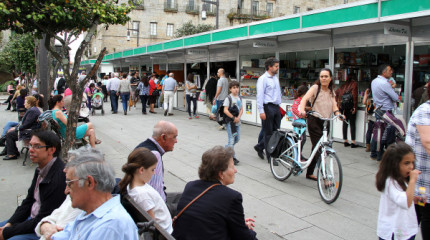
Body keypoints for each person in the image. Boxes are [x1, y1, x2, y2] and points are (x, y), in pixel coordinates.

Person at [51, 147, 139, 240]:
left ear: (89, 182)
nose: (66, 191)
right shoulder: (92, 212)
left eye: (70, 183)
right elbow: (65, 234)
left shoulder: (109, 225)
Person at [172, 146, 257, 240]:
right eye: (232, 167)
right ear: (221, 174)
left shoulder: (191, 186)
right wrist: (250, 230)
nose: (235, 171)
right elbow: (244, 237)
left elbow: (208, 219)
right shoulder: (232, 197)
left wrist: (239, 223)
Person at [0, 131, 66, 240]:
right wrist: (9, 224)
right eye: (30, 145)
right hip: (30, 219)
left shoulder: (58, 178)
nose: (31, 149)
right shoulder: (41, 169)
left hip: (43, 227)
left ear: (51, 150)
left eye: (37, 146)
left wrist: (7, 233)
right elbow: (28, 201)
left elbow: (43, 218)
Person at [299, 68, 344, 181]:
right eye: (322, 76)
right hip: (314, 120)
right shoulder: (315, 88)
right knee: (320, 149)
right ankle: (325, 178)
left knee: (317, 148)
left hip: (325, 122)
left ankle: (309, 173)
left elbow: (334, 106)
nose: (323, 78)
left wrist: (338, 113)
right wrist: (301, 109)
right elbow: (304, 99)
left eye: (326, 76)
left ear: (330, 78)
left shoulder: (330, 91)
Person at [119, 148, 173, 233]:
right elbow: (152, 223)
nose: (154, 173)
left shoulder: (132, 184)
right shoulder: (142, 195)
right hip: (166, 231)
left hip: (166, 225)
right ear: (141, 170)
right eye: (152, 169)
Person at [376, 142, 420, 240]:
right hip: (394, 232)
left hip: (405, 229)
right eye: (406, 163)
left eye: (412, 162)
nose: (411, 167)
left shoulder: (402, 178)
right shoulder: (390, 182)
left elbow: (403, 198)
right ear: (394, 164)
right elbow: (405, 201)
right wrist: (413, 181)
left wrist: (414, 199)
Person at [405, 89, 430, 239]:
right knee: (421, 214)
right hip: (421, 180)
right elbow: (428, 142)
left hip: (424, 179)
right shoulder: (425, 111)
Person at [135, 121, 178, 201]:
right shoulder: (154, 155)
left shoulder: (143, 146)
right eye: (174, 137)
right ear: (163, 137)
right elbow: (156, 193)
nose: (176, 141)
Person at [255, 58, 282, 163]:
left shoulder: (275, 78)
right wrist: (261, 111)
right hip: (267, 107)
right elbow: (260, 96)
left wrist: (279, 106)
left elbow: (278, 94)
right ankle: (270, 157)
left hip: (276, 107)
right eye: (276, 66)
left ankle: (260, 147)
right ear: (270, 67)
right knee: (268, 133)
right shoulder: (263, 79)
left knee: (276, 132)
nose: (277, 68)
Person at [371, 64, 399, 161]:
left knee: (378, 132)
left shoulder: (374, 81)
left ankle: (374, 153)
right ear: (384, 72)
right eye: (390, 70)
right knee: (387, 133)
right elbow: (395, 97)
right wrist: (393, 89)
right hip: (386, 111)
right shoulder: (385, 83)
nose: (391, 72)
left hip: (378, 110)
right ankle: (382, 155)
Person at [1, 96, 41, 160]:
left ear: (29, 103)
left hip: (30, 132)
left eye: (25, 102)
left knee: (9, 134)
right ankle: (12, 151)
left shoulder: (32, 111)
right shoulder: (33, 110)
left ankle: (12, 154)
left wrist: (16, 128)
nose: (24, 104)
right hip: (32, 130)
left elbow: (27, 124)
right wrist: (16, 128)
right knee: (10, 132)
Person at [335, 74, 358, 148]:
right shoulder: (354, 84)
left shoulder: (343, 85)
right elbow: (354, 96)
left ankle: (345, 140)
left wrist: (338, 104)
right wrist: (354, 107)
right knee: (352, 124)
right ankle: (353, 142)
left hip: (343, 107)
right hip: (350, 107)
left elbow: (336, 93)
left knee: (345, 123)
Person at [223, 81, 243, 165]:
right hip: (230, 123)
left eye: (237, 87)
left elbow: (241, 109)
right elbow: (225, 110)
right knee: (231, 140)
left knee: (237, 138)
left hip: (237, 122)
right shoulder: (228, 98)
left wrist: (238, 117)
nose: (236, 89)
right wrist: (233, 117)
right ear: (230, 89)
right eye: (234, 88)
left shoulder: (240, 98)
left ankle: (227, 148)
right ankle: (232, 158)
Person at [291, 85, 309, 161]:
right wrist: (302, 115)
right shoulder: (299, 100)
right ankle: (295, 155)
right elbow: (294, 109)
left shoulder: (302, 100)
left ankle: (297, 154)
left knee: (301, 139)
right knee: (301, 139)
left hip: (301, 122)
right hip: (299, 122)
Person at [362, 86, 375, 153]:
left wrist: (366, 94)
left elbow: (364, 102)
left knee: (369, 130)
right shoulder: (378, 91)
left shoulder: (368, 91)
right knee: (376, 132)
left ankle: (368, 146)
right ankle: (373, 146)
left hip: (370, 115)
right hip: (376, 114)